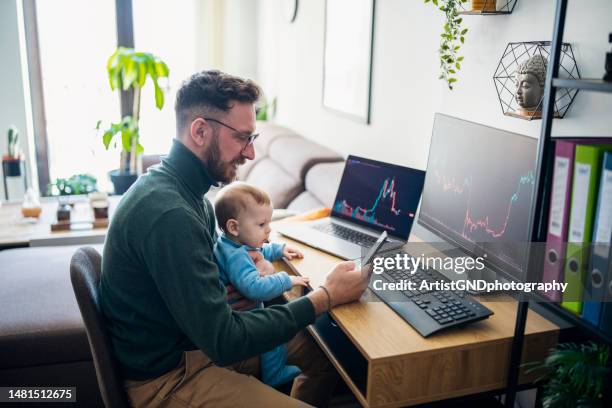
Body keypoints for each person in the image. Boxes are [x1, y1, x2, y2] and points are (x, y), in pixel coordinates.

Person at [99, 69, 368, 408]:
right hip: (169, 378)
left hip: (195, 343)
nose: (251, 153)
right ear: (200, 131)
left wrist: (223, 292)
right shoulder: (170, 214)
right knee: (314, 324)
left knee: (326, 355)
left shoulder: (188, 192)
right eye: (243, 138)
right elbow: (225, 341)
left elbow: (206, 291)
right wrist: (325, 297)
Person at [213, 181, 308, 387]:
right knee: (273, 332)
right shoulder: (235, 257)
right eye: (261, 225)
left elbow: (257, 251)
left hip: (237, 314)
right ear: (234, 227)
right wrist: (286, 280)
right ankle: (275, 373)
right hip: (240, 318)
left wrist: (279, 250)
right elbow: (254, 288)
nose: (268, 230)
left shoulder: (232, 244)